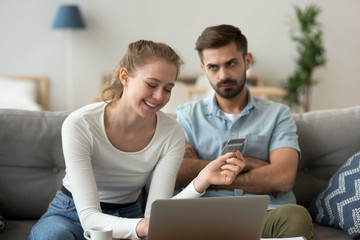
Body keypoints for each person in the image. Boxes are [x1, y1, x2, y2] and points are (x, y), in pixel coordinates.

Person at [28, 40, 244, 240]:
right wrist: (146, 226)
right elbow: (89, 218)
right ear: (125, 77)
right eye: (151, 84)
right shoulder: (80, 124)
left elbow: (156, 212)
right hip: (72, 213)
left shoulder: (172, 133)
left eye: (168, 89)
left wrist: (202, 180)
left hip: (130, 213)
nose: (160, 97)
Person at [175, 24, 314, 239]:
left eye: (231, 64)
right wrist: (255, 167)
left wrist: (208, 173)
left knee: (296, 217)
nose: (223, 75)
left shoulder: (278, 114)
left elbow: (284, 178)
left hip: (266, 214)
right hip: (205, 214)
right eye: (213, 67)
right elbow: (178, 172)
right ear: (204, 69)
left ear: (247, 61)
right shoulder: (187, 116)